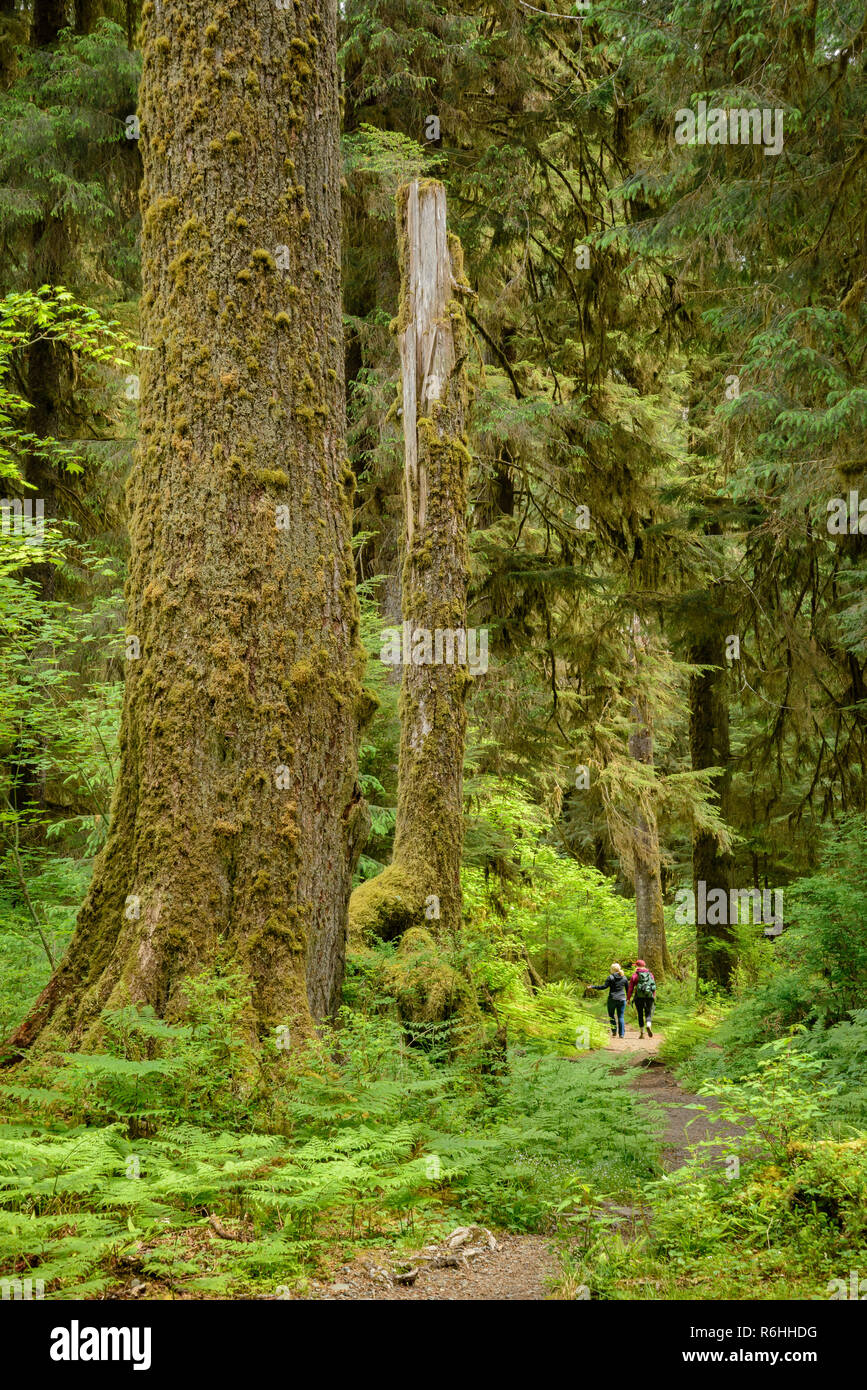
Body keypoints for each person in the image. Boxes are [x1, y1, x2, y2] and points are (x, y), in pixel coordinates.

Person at [589, 962, 629, 1038]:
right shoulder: (624, 978)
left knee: (611, 1016)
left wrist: (593, 986)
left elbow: (604, 987)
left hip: (612, 999)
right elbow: (628, 990)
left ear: (612, 969)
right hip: (622, 999)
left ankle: (614, 1032)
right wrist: (628, 999)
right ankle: (621, 1034)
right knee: (621, 1016)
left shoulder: (610, 977)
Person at [626, 958, 656, 1039]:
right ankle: (649, 1025)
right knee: (648, 1013)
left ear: (637, 966)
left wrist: (628, 999)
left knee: (640, 1014)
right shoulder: (650, 974)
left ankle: (642, 1033)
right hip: (649, 996)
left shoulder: (635, 975)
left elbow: (630, 988)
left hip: (638, 997)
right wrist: (653, 996)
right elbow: (653, 986)